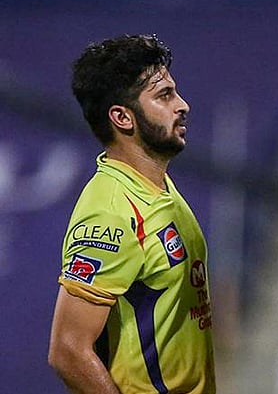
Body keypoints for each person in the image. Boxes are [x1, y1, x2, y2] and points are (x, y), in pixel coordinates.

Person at [48, 34, 215, 393]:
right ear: (123, 117)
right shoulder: (111, 214)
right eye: (164, 95)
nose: (182, 105)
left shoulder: (157, 185)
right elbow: (68, 352)